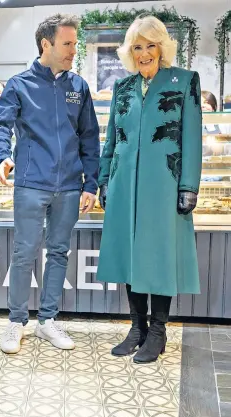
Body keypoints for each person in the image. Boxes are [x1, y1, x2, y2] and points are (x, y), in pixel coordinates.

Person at [0, 14, 100, 354]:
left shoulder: (78, 87)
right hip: (30, 183)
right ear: (46, 44)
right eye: (67, 44)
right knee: (24, 253)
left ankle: (47, 321)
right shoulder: (18, 84)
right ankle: (16, 322)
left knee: (58, 253)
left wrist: (90, 183)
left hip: (69, 185)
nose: (73, 50)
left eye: (75, 44)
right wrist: (2, 156)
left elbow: (90, 139)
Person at [97, 16, 202, 363]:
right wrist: (103, 180)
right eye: (137, 47)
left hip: (164, 184)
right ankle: (137, 327)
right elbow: (112, 138)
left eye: (150, 45)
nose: (144, 53)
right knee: (130, 254)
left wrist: (189, 186)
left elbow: (192, 139)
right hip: (125, 183)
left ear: (162, 48)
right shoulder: (123, 88)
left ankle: (158, 331)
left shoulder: (184, 82)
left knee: (158, 256)